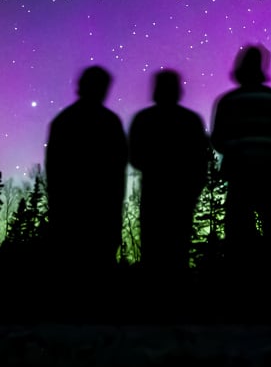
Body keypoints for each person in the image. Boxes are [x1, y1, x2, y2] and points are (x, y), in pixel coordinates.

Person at [211, 44, 271, 271]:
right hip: (270, 174)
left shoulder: (227, 101)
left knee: (238, 234)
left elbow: (217, 140)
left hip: (240, 175)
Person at [45, 65, 129, 275]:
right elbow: (118, 175)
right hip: (98, 219)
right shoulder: (110, 122)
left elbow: (53, 175)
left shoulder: (63, 121)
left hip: (71, 218)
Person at [129, 69, 210, 276]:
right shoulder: (191, 120)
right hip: (180, 196)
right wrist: (193, 189)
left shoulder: (144, 119)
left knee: (154, 251)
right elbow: (201, 160)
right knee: (178, 251)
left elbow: (135, 157)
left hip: (155, 194)